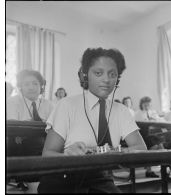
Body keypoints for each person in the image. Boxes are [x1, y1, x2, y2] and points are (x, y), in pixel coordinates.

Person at [38, 47, 147, 193]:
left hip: (100, 179)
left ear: (117, 79)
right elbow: (47, 154)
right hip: (63, 178)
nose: (106, 79)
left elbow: (140, 148)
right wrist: (67, 155)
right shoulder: (67, 104)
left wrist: (113, 151)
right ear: (85, 76)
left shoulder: (121, 110)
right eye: (98, 73)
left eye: (112, 74)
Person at [6, 69, 54, 193]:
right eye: (26, 84)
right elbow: (13, 127)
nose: (31, 87)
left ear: (41, 86)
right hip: (17, 143)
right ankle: (34, 185)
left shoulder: (49, 104)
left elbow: (56, 127)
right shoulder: (12, 101)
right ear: (21, 87)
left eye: (35, 83)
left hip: (44, 143)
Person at [135, 96, 163, 178]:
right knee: (154, 146)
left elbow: (160, 120)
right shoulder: (138, 113)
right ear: (142, 105)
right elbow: (138, 126)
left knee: (161, 145)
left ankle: (164, 167)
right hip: (142, 136)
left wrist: (155, 119)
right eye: (145, 104)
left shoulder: (152, 112)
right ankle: (149, 170)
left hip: (152, 135)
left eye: (148, 105)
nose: (147, 106)